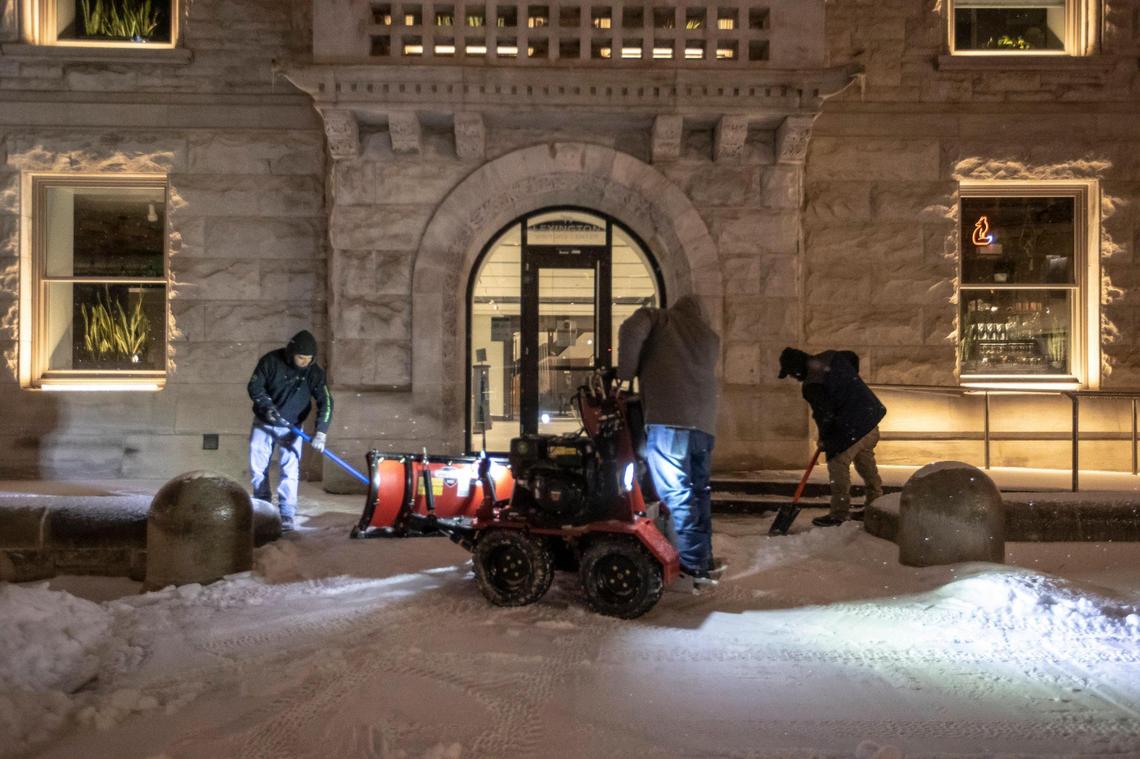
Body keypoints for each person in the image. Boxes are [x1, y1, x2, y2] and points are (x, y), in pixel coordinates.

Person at [618, 295, 721, 583]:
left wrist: (626, 372)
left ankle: (690, 566)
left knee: (677, 495)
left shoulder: (662, 319)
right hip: (704, 426)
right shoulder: (709, 336)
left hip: (670, 421)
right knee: (699, 494)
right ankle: (703, 557)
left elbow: (632, 326)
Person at [778, 347, 885, 527]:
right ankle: (875, 505)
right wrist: (848, 387)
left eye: (792, 374)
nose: (795, 378)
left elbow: (824, 414)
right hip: (870, 417)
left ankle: (839, 513)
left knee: (837, 464)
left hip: (850, 426)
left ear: (797, 369)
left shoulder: (812, 384)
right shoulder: (831, 356)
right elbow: (852, 357)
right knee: (865, 461)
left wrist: (825, 437)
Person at [247, 330, 333, 531]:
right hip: (264, 422)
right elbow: (255, 387)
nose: (304, 362)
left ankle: (286, 512)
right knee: (258, 466)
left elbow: (326, 401)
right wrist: (267, 407)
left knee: (289, 469)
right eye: (300, 357)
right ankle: (263, 507)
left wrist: (321, 431)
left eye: (308, 359)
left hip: (293, 427)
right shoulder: (270, 361)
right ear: (291, 352)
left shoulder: (313, 373)